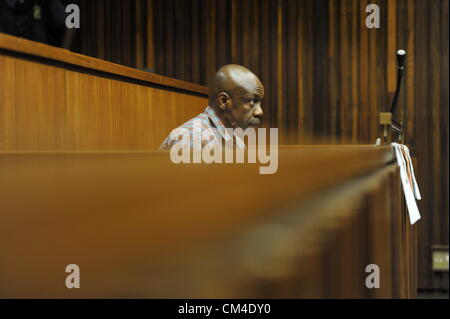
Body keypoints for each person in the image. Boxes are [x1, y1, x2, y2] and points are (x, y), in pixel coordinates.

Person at [159, 64, 264, 151]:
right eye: (253, 101)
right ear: (223, 101)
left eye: (259, 102)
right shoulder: (191, 138)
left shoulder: (237, 141)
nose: (260, 112)